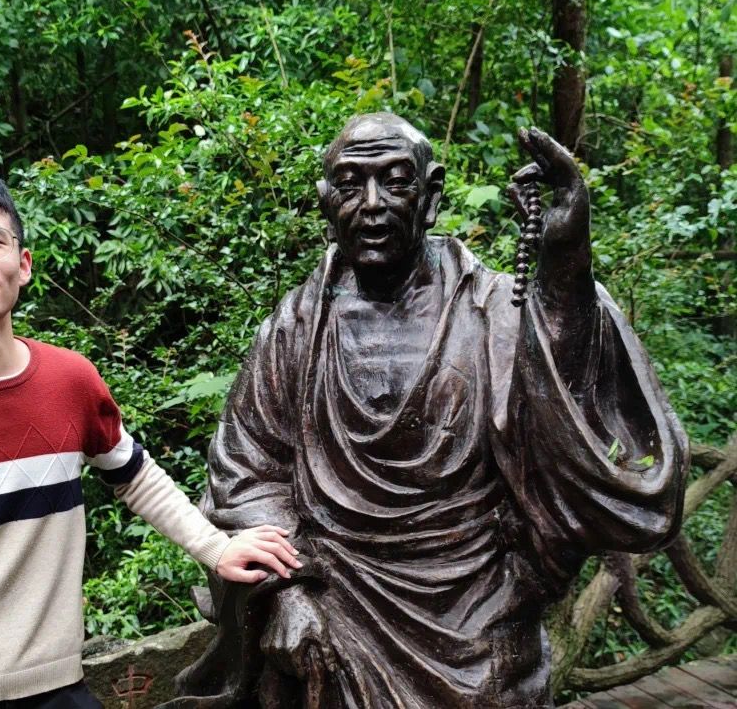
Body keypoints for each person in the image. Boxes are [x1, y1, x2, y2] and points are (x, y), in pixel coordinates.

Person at [169, 113, 688, 708]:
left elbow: (563, 397)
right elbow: (247, 470)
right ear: (325, 202)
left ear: (432, 194)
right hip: (332, 596)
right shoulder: (296, 328)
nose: (372, 204)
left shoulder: (493, 308)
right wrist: (286, 591)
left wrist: (565, 261)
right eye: (350, 185)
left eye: (395, 182)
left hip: (480, 602)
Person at [0, 167, 301, 709]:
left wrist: (217, 548)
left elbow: (135, 476)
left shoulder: (69, 381)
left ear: (23, 264)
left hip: (60, 687)